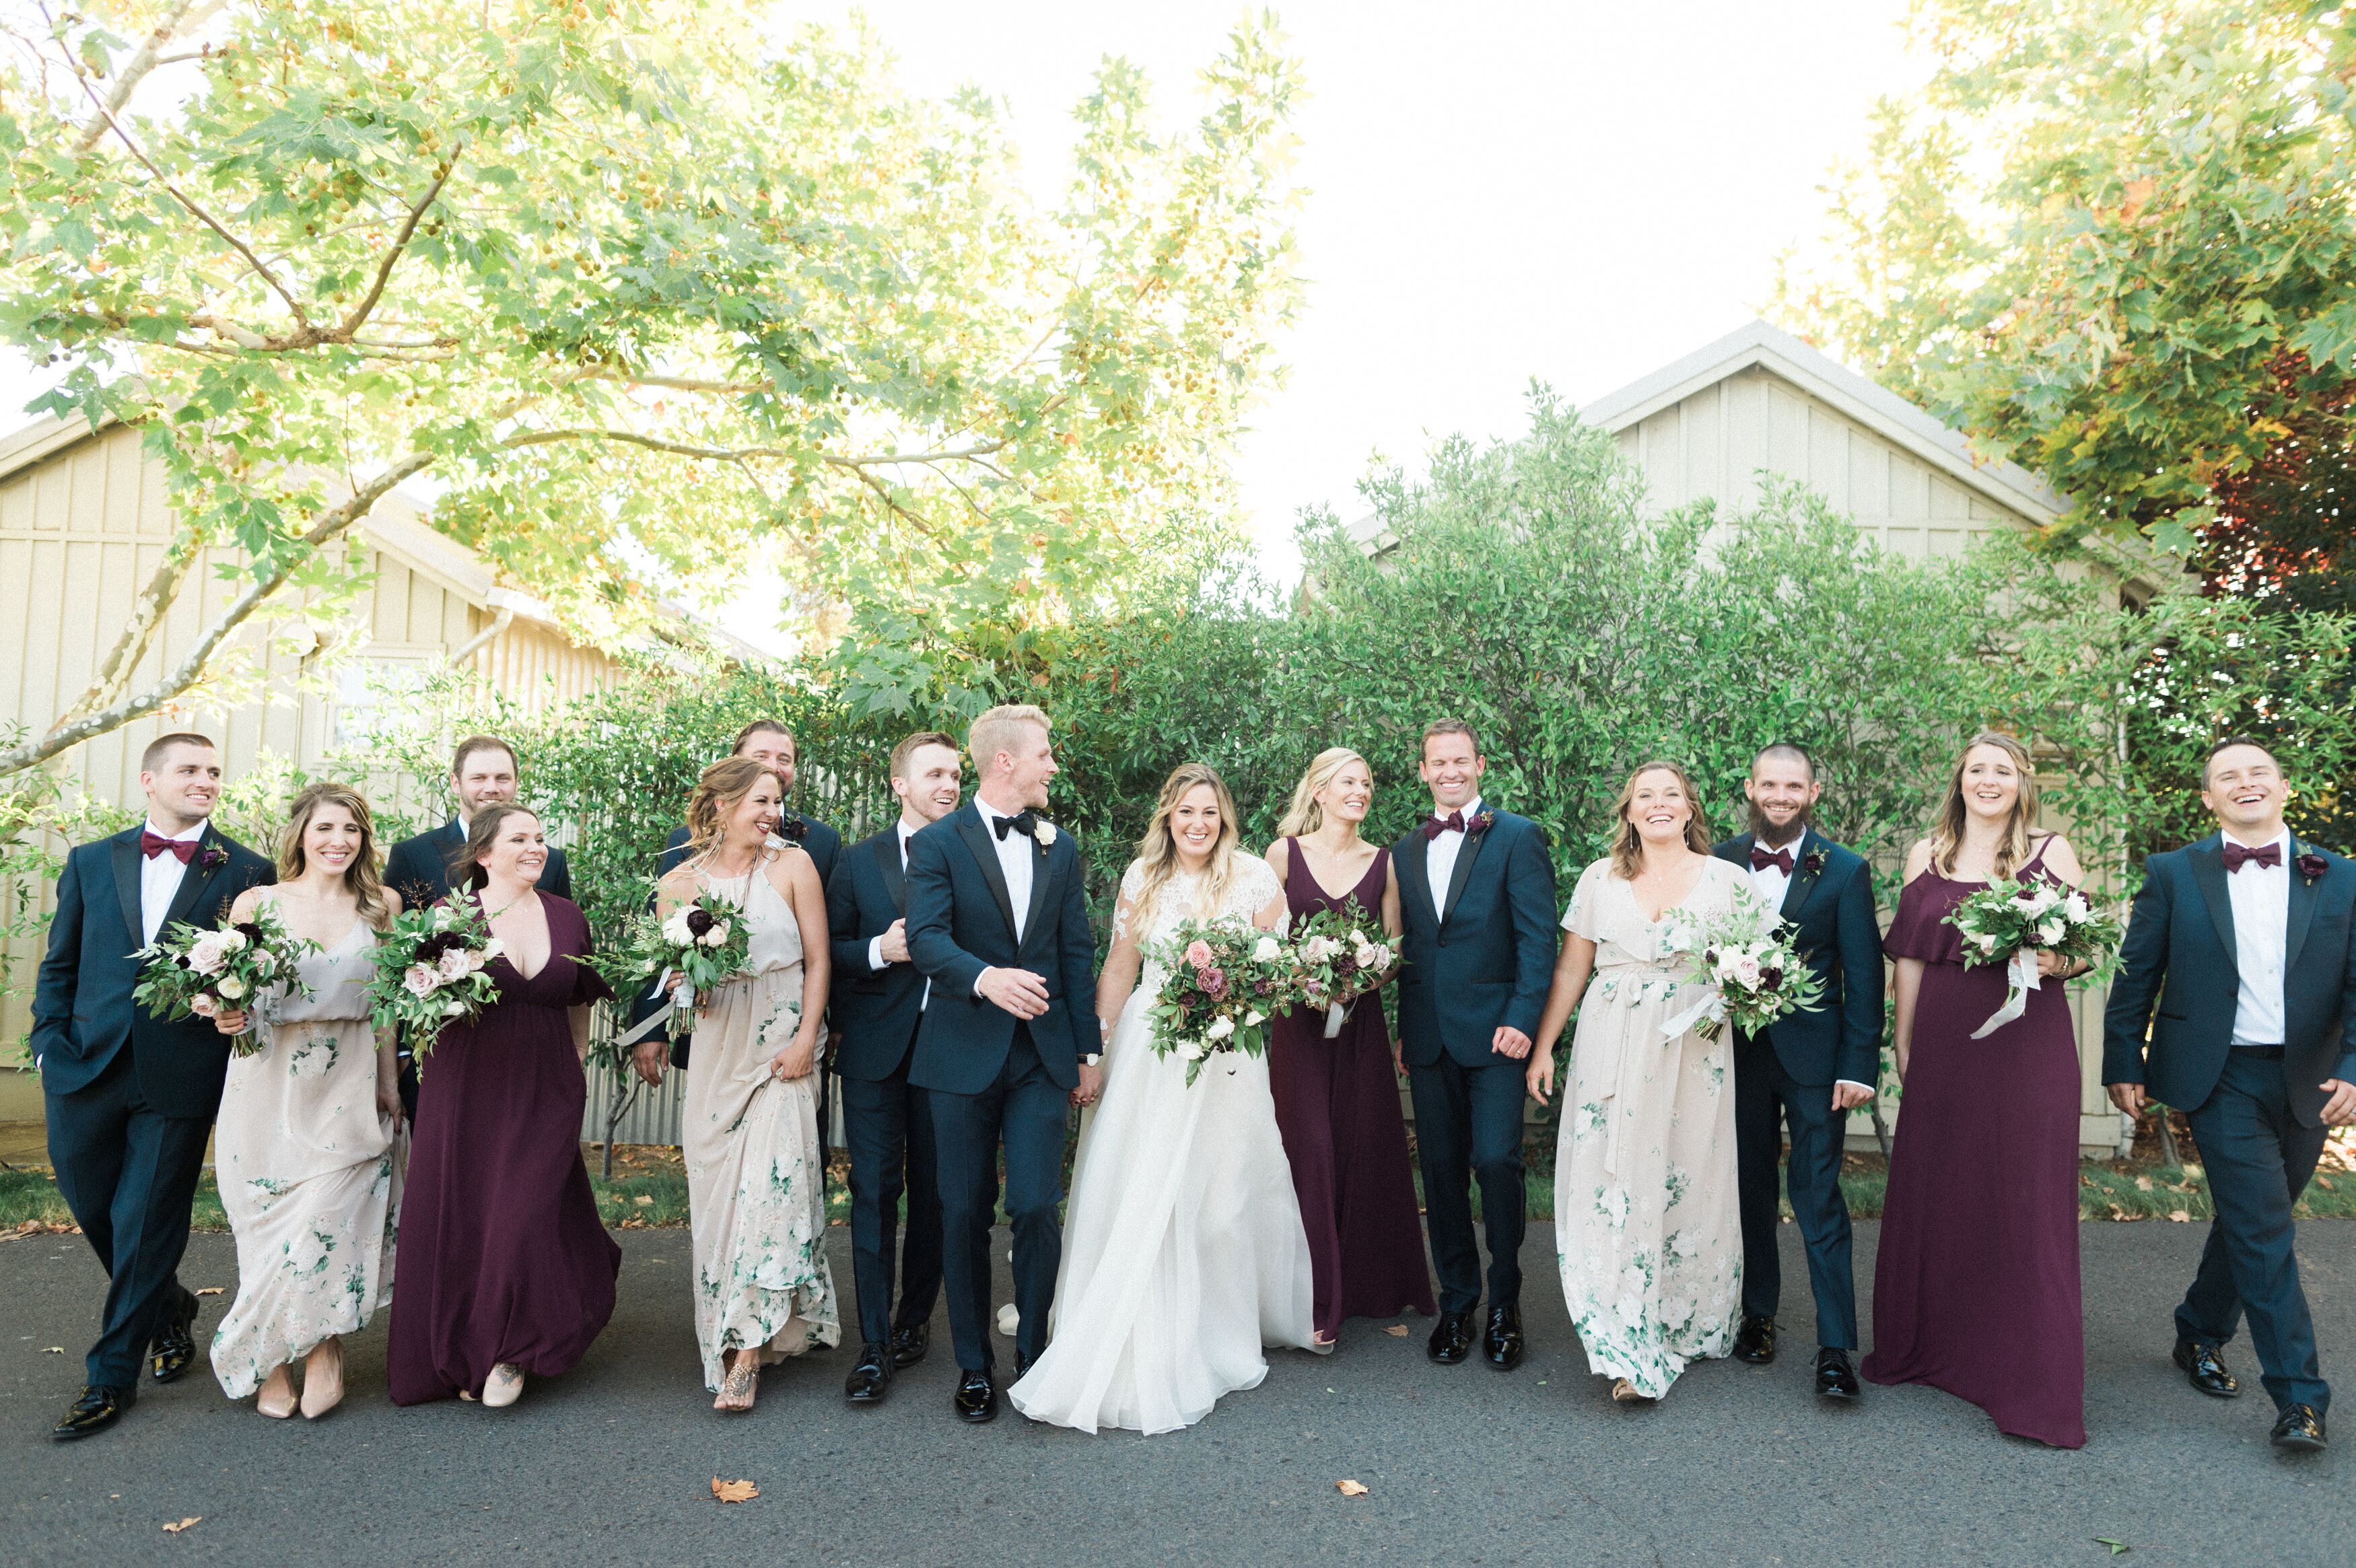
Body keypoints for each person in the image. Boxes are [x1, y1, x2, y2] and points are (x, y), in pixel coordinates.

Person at [1008, 764, 1315, 1433]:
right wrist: (1095, 1050)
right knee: (1143, 1184)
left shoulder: (1254, 879)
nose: (1197, 825)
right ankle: (1137, 1311)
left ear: (1224, 819)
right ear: (1167, 819)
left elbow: (1280, 964)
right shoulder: (1141, 878)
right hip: (1152, 1047)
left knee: (1224, 1197)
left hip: (1230, 1052)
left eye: (1208, 813)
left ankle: (1221, 1330)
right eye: (1185, 814)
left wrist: (1239, 998)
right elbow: (1120, 966)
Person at [2103, 737, 2356, 1454]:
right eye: (2225, 777)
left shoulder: (2338, 877)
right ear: (2208, 798)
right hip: (2217, 1076)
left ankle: (2198, 1329)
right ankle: (2300, 1398)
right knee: (2264, 1228)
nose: (2243, 783)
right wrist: (2122, 1058)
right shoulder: (2173, 872)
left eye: (2256, 772)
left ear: (2282, 787)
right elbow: (2135, 974)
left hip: (2310, 1078)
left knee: (2251, 1220)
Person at [34, 733, 274, 1440]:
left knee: (145, 1218)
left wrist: (239, 1008)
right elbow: (60, 962)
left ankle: (111, 1374)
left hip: (181, 1071)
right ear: (149, 778)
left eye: (213, 772)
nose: (205, 780)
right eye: (190, 769)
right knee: (93, 1202)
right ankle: (169, 1306)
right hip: (83, 1062)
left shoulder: (247, 870)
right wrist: (47, 1044)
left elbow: (258, 974)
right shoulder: (90, 860)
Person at [1863, 732, 2090, 1448]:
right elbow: (1906, 958)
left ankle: (2029, 1379)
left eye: (2000, 771)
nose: (1986, 780)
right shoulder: (1922, 854)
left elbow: (2083, 949)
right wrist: (1903, 1043)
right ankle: (1940, 1352)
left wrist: (2048, 954)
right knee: (1946, 1192)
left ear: (2021, 784)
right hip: (1944, 1044)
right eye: (1975, 769)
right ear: (1958, 780)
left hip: (2027, 1050)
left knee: (2021, 1198)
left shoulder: (2049, 850)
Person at [903, 704, 1101, 1424]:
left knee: (1034, 1205)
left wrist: (1088, 1049)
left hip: (1042, 1057)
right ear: (1006, 762)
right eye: (1044, 754)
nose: (1053, 765)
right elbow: (924, 939)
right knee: (961, 1211)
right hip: (958, 1055)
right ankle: (974, 1365)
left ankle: (1036, 1355)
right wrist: (985, 977)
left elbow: (1075, 951)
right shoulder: (938, 843)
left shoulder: (1060, 844)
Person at [386, 803, 619, 1409]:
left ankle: (513, 1351)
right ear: (484, 854)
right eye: (520, 839)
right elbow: (411, 1001)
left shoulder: (568, 918)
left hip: (547, 1083)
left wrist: (578, 1066)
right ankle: (465, 1351)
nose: (536, 847)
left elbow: (579, 1001)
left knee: (526, 1216)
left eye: (540, 838)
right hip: (465, 1088)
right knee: (470, 1218)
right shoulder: (446, 917)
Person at [1529, 761, 1747, 1404]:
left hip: (1694, 1048)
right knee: (1613, 1177)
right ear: (1629, 812)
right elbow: (1573, 968)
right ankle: (1622, 1340)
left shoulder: (1728, 880)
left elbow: (1764, 962)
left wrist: (1747, 990)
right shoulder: (1601, 879)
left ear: (1689, 809)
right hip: (1613, 1041)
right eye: (1644, 796)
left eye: (1670, 795)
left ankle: (1681, 1315)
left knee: (1689, 1176)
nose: (1658, 805)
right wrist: (1545, 1047)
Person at [638, 757, 837, 1411]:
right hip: (720, 1050)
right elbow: (673, 979)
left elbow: (818, 958)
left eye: (776, 799)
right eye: (758, 799)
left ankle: (749, 1349)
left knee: (770, 1194)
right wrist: (684, 977)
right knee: (720, 1203)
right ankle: (725, 1327)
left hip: (782, 1043)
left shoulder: (793, 866)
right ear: (720, 805)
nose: (771, 811)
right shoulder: (677, 884)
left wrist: (808, 1036)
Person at [205, 783, 405, 1420]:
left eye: (351, 829)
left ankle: (324, 1348)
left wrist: (389, 1082)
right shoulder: (258, 902)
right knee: (269, 1227)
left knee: (332, 1218)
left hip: (346, 1078)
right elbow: (229, 986)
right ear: (300, 836)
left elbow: (390, 1006)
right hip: (267, 1081)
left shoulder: (381, 906)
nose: (338, 841)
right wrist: (226, 1014)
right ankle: (272, 1358)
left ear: (364, 839)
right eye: (325, 828)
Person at [1710, 744, 1883, 1402]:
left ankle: (1834, 1344)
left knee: (1816, 1196)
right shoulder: (1717, 861)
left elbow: (1863, 977)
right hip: (1735, 1054)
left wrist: (1858, 1066)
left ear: (1813, 791)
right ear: (1750, 787)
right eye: (1768, 785)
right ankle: (1757, 1315)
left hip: (1816, 1061)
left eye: (1792, 786)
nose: (1779, 795)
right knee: (1747, 1184)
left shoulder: (1842, 870)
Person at [1391, 718, 1556, 1371]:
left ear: (1479, 764)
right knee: (1439, 1171)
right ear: (1423, 770)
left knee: (1494, 1161)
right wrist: (1406, 1025)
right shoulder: (1404, 850)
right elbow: (1408, 949)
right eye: (1438, 761)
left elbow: (1537, 937)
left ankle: (1505, 1301)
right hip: (1429, 1038)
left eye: (1460, 760)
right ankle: (1457, 1300)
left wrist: (1523, 1015)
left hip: (1497, 1034)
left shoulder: (1516, 837)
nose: (1450, 770)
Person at [1263, 748, 1435, 1349]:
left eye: (1366, 783)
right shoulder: (1282, 856)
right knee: (1306, 1146)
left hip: (1358, 1028)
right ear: (1319, 791)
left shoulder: (1383, 863)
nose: (1360, 791)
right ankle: (1311, 1298)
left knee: (1360, 1147)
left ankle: (1365, 1286)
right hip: (1298, 1029)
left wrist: (1358, 979)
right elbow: (1260, 941)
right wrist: (1303, 980)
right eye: (1348, 782)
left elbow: (1393, 946)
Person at [823, 731, 959, 1404]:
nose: (948, 783)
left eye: (955, 773)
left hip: (955, 1053)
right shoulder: (856, 861)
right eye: (933, 772)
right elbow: (827, 954)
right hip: (877, 1051)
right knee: (874, 1195)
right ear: (899, 783)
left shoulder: (978, 857)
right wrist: (878, 948)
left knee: (938, 1195)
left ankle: (913, 1324)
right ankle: (872, 1344)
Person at [633, 719, 841, 1071]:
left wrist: (829, 1026)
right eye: (762, 756)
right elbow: (663, 947)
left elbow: (828, 943)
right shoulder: (686, 844)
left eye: (784, 758)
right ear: (736, 764)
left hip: (789, 1023)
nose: (774, 766)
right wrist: (649, 1027)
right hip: (715, 1021)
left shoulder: (820, 843)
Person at [382, 735, 571, 1120]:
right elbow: (396, 961)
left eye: (503, 777)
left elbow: (564, 957)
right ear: (455, 783)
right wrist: (402, 1054)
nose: (492, 788)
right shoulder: (413, 855)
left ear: (516, 783)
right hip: (438, 1048)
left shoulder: (548, 861)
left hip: (528, 1051)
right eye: (479, 777)